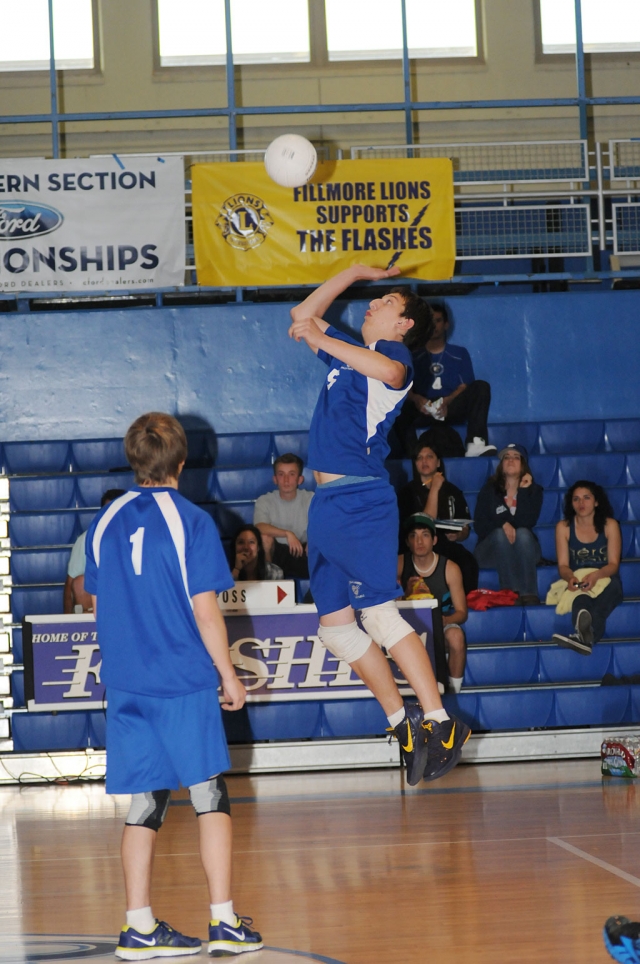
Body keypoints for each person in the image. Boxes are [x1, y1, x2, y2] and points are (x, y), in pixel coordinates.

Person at [84, 412, 262, 959]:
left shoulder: (105, 520)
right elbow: (206, 610)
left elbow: (95, 601)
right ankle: (224, 921)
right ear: (182, 463)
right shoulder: (191, 521)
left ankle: (138, 925)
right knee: (210, 795)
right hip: (181, 680)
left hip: (127, 684)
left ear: (134, 459)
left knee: (146, 802)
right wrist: (228, 673)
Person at [288, 263, 471, 788]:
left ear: (405, 325)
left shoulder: (394, 358)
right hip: (327, 503)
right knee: (338, 632)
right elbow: (303, 315)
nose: (373, 303)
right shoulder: (350, 358)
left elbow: (391, 377)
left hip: (361, 500)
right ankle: (403, 725)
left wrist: (322, 337)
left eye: (385, 300)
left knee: (379, 615)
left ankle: (440, 721)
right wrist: (353, 273)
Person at [393, 302, 496, 458]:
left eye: (438, 320)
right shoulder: (413, 355)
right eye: (430, 321)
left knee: (481, 387)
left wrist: (447, 401)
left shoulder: (459, 353)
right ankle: (411, 452)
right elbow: (403, 385)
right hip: (423, 407)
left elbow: (464, 386)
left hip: (449, 405)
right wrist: (416, 399)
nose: (434, 326)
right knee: (395, 401)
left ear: (446, 324)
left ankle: (475, 443)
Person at [397, 436, 478, 594]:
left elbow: (465, 529)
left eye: (429, 457)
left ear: (438, 462)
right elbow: (424, 522)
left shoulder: (452, 491)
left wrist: (459, 534)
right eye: (419, 458)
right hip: (416, 545)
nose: (424, 461)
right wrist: (434, 488)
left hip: (445, 543)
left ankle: (463, 605)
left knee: (468, 562)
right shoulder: (406, 492)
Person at [398, 513, 467, 694]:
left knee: (456, 637)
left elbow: (461, 612)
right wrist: (405, 593)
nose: (419, 541)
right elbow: (389, 607)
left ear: (435, 540)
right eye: (413, 536)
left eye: (425, 535)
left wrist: (443, 620)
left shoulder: (450, 568)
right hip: (407, 625)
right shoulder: (399, 564)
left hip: (441, 623)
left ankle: (454, 692)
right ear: (407, 542)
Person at [552, 480, 623, 655]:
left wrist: (596, 576)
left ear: (596, 501)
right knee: (580, 600)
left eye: (586, 498)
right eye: (576, 499)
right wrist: (571, 579)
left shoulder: (610, 525)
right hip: (579, 580)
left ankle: (584, 638)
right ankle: (587, 639)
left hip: (605, 578)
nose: (581, 503)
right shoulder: (563, 527)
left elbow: (613, 565)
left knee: (613, 589)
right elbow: (562, 566)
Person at [473, 443, 543, 605]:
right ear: (501, 464)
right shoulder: (488, 490)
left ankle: (529, 594)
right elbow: (480, 527)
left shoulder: (534, 491)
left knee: (524, 533)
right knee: (499, 534)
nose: (511, 460)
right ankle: (509, 594)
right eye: (506, 457)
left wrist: (523, 492)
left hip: (525, 550)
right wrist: (502, 523)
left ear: (523, 464)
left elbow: (527, 522)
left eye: (516, 457)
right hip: (490, 552)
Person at [63, 488, 127, 613]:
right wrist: (66, 626)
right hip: (97, 606)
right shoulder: (86, 539)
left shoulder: (139, 537)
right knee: (80, 583)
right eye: (107, 511)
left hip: (129, 600)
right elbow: (70, 585)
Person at [253, 453, 313, 578]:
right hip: (276, 554)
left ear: (300, 479)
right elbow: (259, 527)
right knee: (264, 538)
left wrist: (315, 539)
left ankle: (316, 595)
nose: (286, 480)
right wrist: (287, 533)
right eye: (281, 474)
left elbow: (326, 524)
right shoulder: (264, 500)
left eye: (291, 474)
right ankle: (269, 582)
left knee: (321, 542)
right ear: (275, 479)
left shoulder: (311, 499)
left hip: (304, 552)